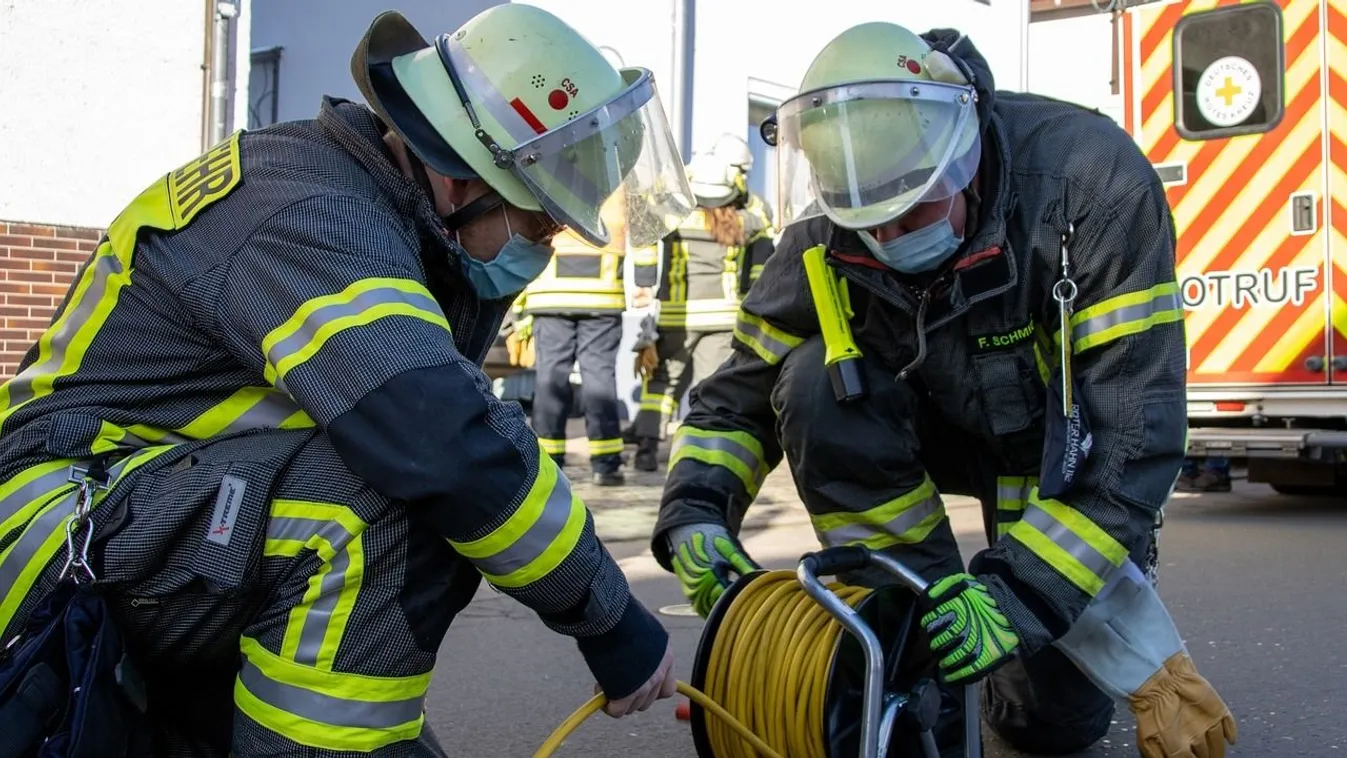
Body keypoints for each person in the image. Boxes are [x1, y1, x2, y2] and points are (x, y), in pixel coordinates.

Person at [0, 5, 694, 754]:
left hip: (158, 511)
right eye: (539, 223)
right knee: (383, 500)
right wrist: (609, 618)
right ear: (463, 182)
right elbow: (442, 443)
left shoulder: (383, 212)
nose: (545, 245)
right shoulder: (313, 212)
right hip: (60, 533)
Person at [652, 23, 1233, 758]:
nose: (890, 236)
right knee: (810, 384)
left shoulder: (1089, 187)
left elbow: (1130, 433)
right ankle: (904, 634)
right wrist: (695, 513)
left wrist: (1017, 599)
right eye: (869, 221)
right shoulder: (826, 235)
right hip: (909, 429)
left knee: (1046, 729)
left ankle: (1000, 650)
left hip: (1047, 462)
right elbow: (735, 395)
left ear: (963, 158)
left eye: (914, 208)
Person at [629, 136, 776, 472]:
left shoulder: (675, 218)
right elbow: (761, 262)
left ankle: (647, 451)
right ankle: (705, 454)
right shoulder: (746, 221)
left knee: (661, 384)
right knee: (711, 388)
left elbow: (645, 228)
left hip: (676, 317)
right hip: (723, 319)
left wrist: (644, 282)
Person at [518, 198, 639, 485]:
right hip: (602, 296)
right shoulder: (615, 182)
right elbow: (644, 235)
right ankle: (606, 466)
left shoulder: (547, 174)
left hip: (551, 295)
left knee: (550, 379)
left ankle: (548, 464)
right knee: (599, 378)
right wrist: (645, 280)